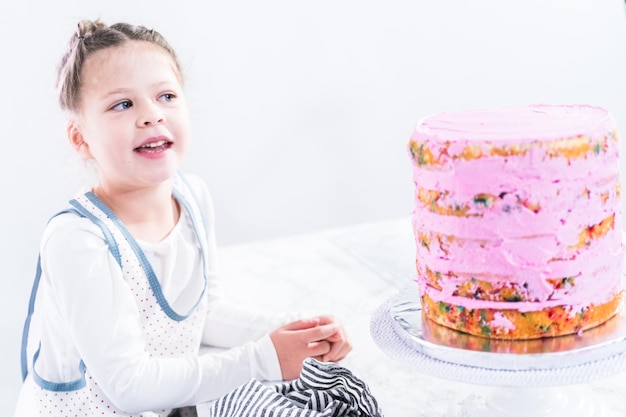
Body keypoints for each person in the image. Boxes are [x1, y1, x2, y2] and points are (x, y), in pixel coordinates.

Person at [15, 19, 351, 417]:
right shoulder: (79, 240)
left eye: (166, 95)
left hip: (163, 404)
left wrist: (297, 332)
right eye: (123, 104)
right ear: (80, 138)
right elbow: (129, 386)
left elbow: (204, 314)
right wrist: (263, 358)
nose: (151, 115)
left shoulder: (192, 198)